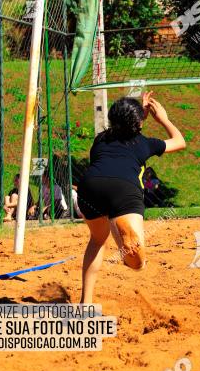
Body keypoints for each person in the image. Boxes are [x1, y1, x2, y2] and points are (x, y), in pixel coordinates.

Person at [76, 92, 186, 304]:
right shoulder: (145, 143)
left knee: (98, 240)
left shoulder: (100, 139)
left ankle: (85, 303)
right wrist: (162, 118)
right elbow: (179, 141)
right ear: (138, 125)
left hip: (89, 188)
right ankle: (126, 233)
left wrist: (137, 116)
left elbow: (124, 127)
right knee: (136, 264)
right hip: (123, 189)